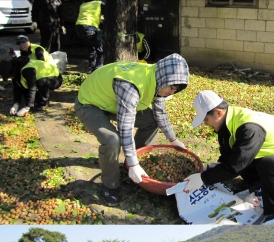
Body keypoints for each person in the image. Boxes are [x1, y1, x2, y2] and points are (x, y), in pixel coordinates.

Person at [75, 54, 190, 206]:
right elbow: (125, 127)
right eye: (171, 88)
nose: (171, 93)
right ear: (165, 78)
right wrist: (133, 163)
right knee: (112, 140)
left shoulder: (159, 78)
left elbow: (160, 113)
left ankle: (132, 164)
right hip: (90, 103)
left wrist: (173, 139)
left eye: (175, 90)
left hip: (112, 102)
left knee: (152, 121)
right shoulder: (130, 85)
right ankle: (110, 184)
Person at [185, 90, 274, 223]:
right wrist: (210, 170)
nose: (206, 124)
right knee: (247, 159)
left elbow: (236, 166)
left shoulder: (249, 128)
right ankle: (257, 184)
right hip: (266, 153)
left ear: (218, 112)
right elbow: (229, 157)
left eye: (206, 119)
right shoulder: (227, 123)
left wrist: (204, 178)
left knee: (269, 165)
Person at [75, 0, 104, 73]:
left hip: (79, 28)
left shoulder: (83, 4)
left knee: (91, 47)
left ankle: (92, 67)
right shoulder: (99, 3)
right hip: (89, 26)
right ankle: (98, 69)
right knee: (100, 49)